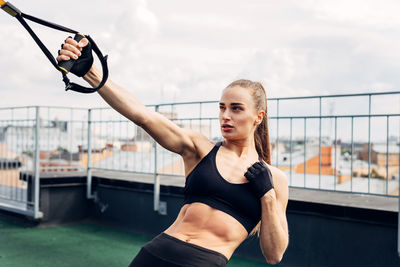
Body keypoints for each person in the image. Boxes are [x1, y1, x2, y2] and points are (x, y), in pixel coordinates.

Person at [57, 37, 289, 266]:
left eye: (236, 109)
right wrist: (91, 73)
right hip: (156, 253)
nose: (226, 116)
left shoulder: (274, 179)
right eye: (222, 108)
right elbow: (144, 116)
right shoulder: (200, 148)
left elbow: (274, 254)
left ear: (258, 117)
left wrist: (267, 195)